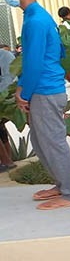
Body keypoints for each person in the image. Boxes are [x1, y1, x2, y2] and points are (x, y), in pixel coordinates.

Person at [2, 0, 70, 209]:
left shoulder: (35, 20)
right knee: (40, 141)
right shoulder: (38, 16)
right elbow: (57, 51)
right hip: (46, 89)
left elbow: (33, 62)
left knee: (53, 143)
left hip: (45, 91)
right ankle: (61, 185)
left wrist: (22, 92)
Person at [0, 44, 17, 172]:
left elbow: (9, 81)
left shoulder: (5, 56)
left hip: (9, 98)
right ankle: (8, 161)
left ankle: (6, 160)